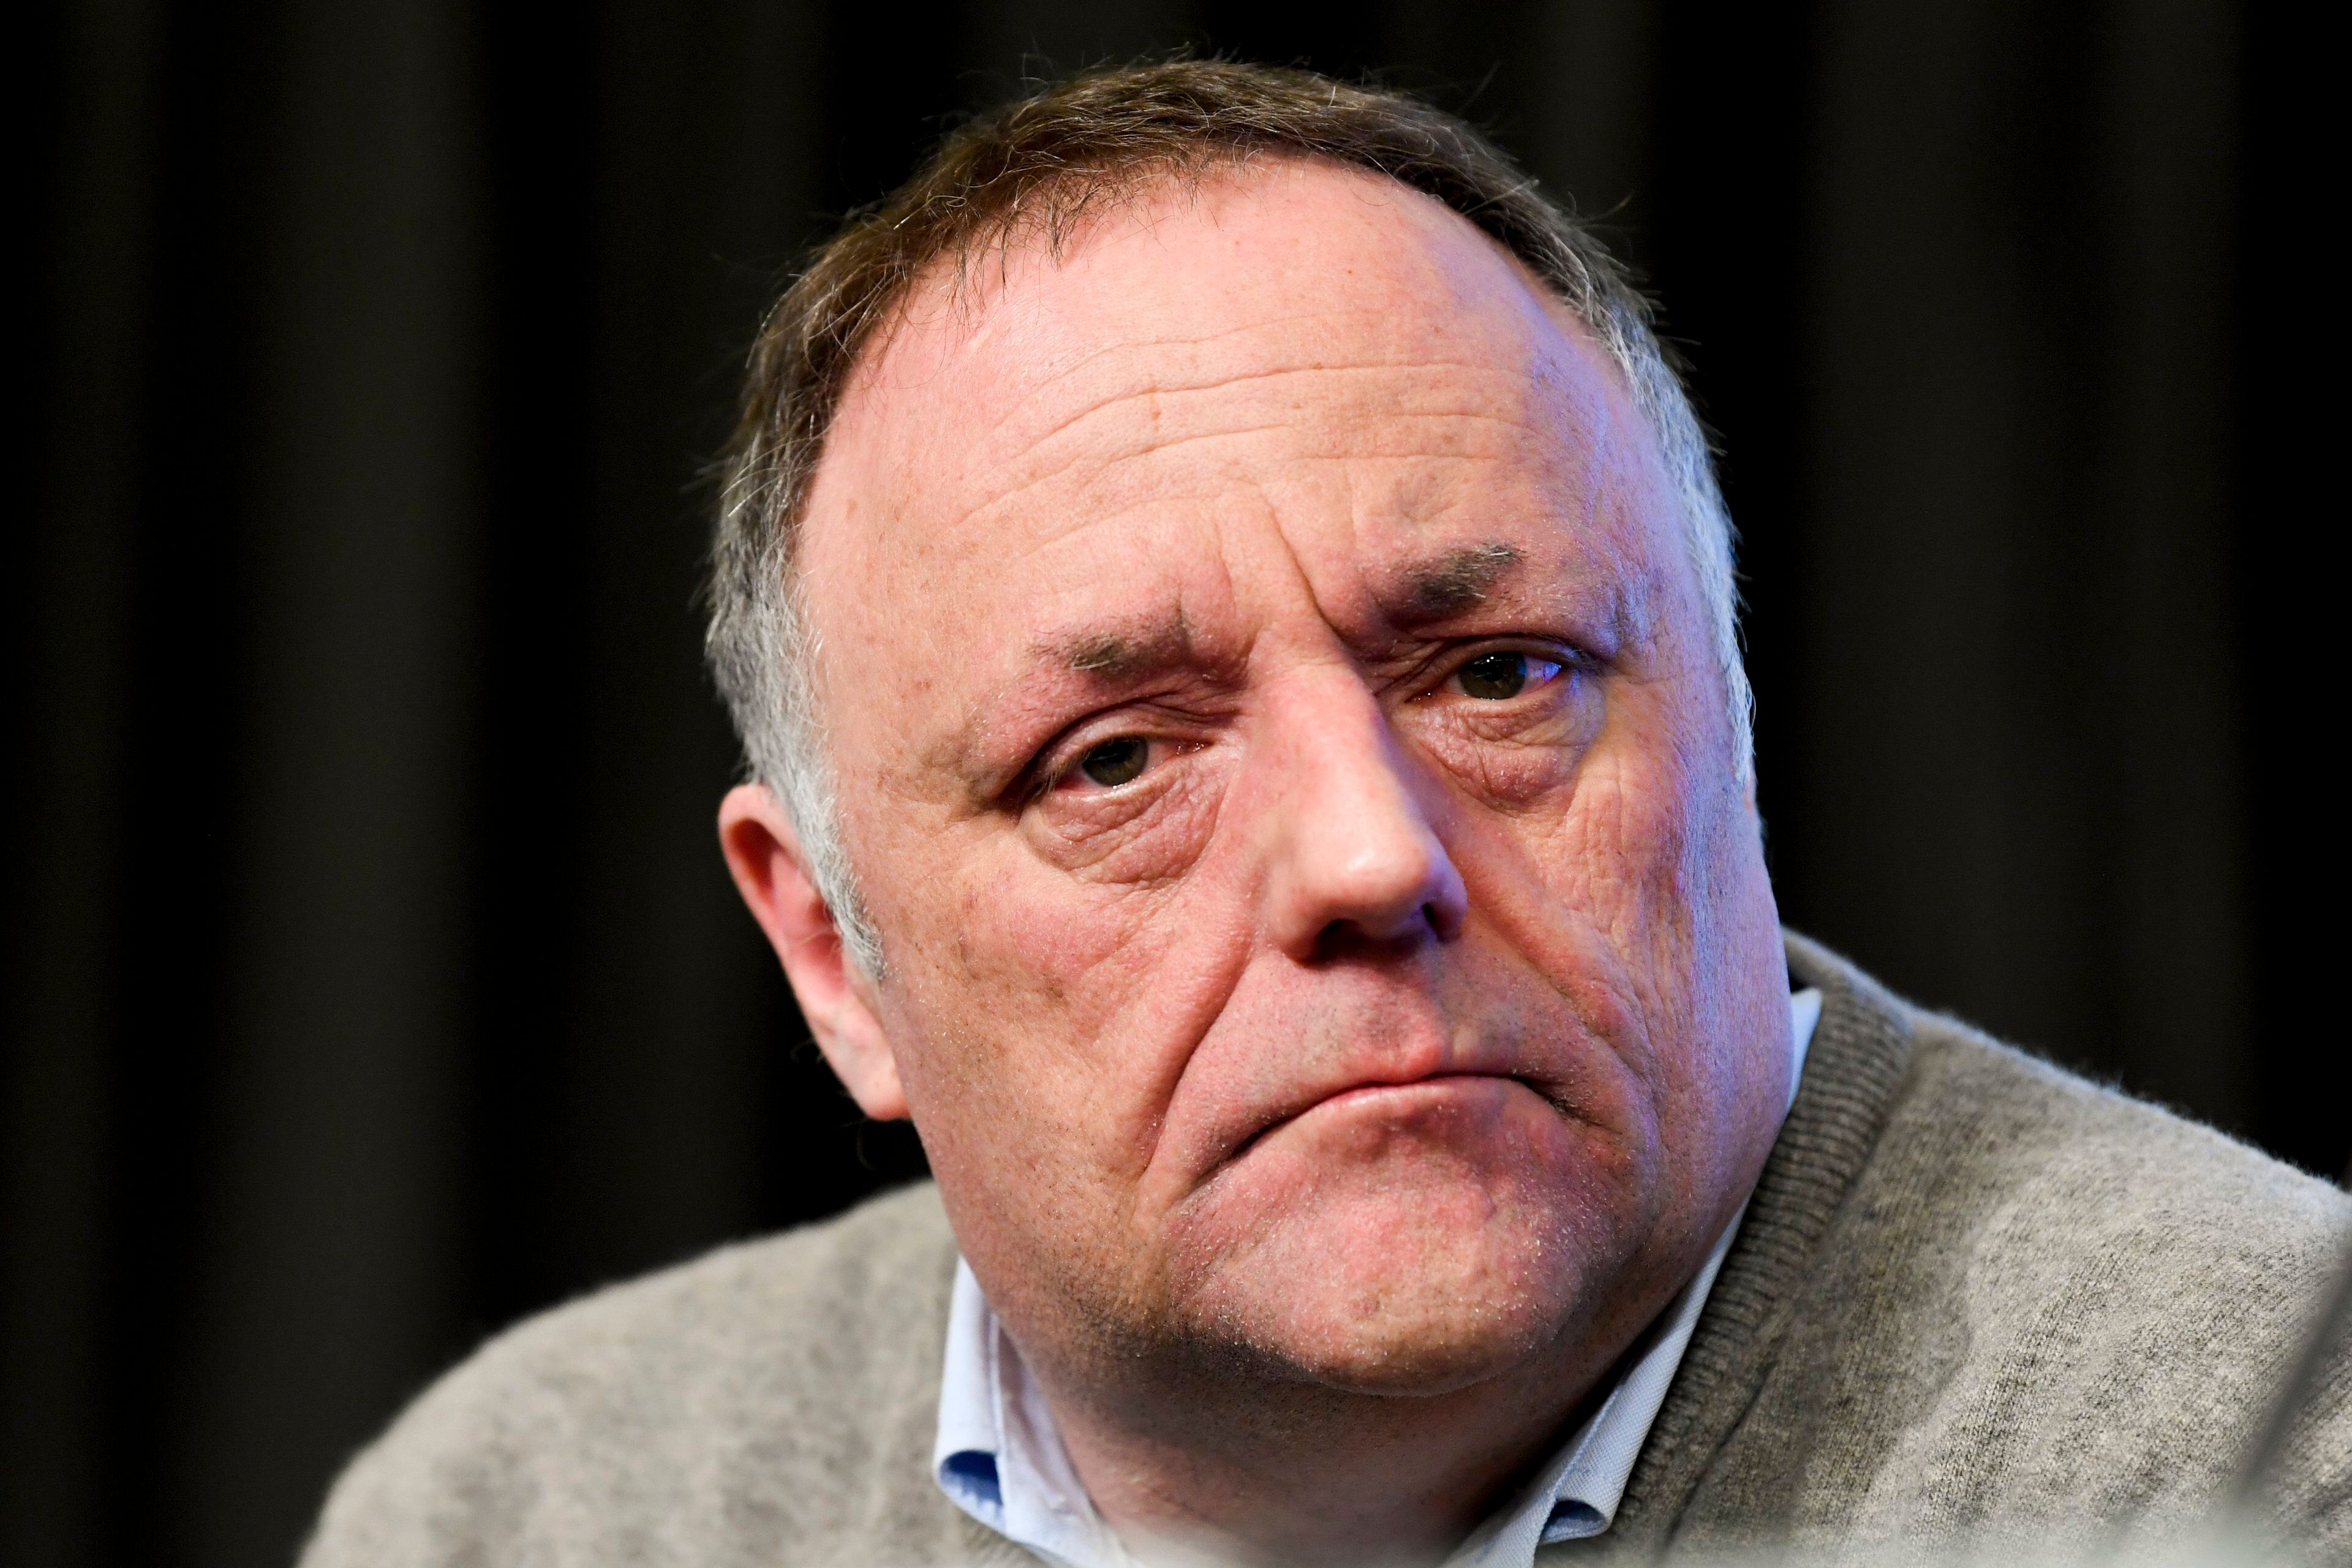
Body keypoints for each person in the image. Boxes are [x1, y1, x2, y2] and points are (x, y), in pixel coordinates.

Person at [300, 61, 2350, 1568]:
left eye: (1502, 675)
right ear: (835, 955)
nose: (1374, 858)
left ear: (1730, 722)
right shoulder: (536, 1511)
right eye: (1117, 760)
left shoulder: (2277, 1444)